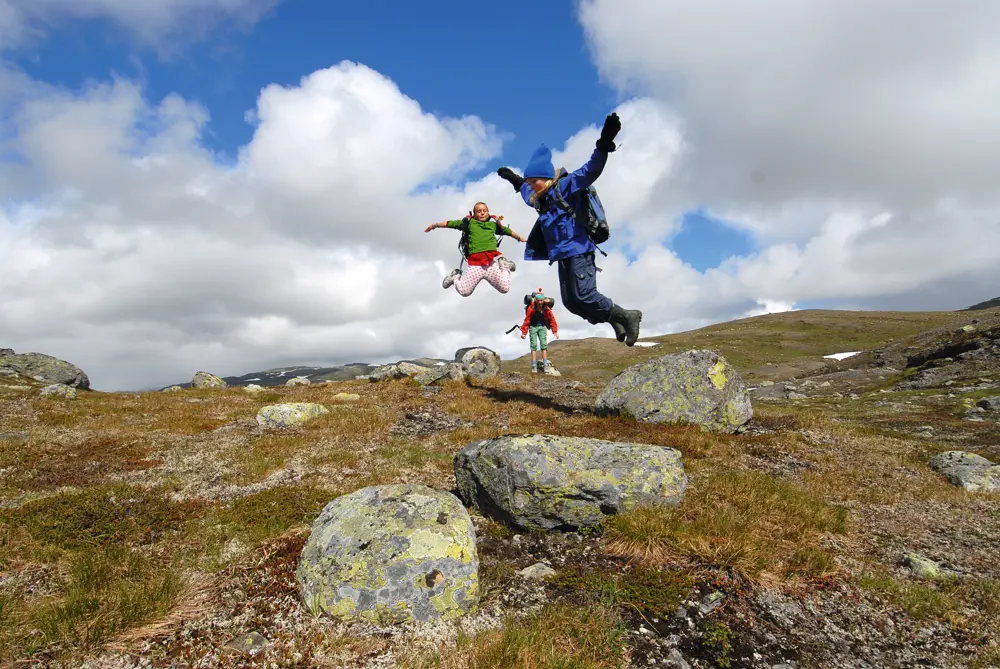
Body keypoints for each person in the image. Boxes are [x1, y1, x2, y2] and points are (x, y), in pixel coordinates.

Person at [496, 113, 643, 345]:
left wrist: (604, 143)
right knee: (571, 303)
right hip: (561, 255)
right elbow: (524, 191)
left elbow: (590, 170)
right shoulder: (539, 198)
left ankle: (627, 316)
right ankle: (612, 318)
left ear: (546, 178)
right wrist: (514, 179)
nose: (530, 186)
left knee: (585, 295)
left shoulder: (566, 185)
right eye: (529, 182)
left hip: (578, 249)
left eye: (533, 181)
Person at [425, 201, 525, 296]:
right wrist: (435, 225)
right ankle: (455, 277)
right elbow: (450, 223)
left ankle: (505, 266)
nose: (482, 213)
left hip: (490, 264)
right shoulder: (469, 224)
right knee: (464, 292)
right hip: (475, 266)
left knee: (505, 288)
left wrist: (519, 238)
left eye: (484, 211)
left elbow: (507, 231)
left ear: (488, 213)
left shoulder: (493, 225)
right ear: (474, 214)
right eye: (479, 211)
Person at [519, 289, 558, 373]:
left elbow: (552, 319)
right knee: (533, 346)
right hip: (533, 327)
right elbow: (527, 320)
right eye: (538, 300)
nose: (540, 302)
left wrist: (555, 331)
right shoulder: (531, 308)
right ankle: (534, 366)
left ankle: (545, 365)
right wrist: (524, 333)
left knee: (544, 345)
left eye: (541, 300)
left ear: (543, 300)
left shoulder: (546, 308)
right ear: (536, 300)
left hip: (542, 327)